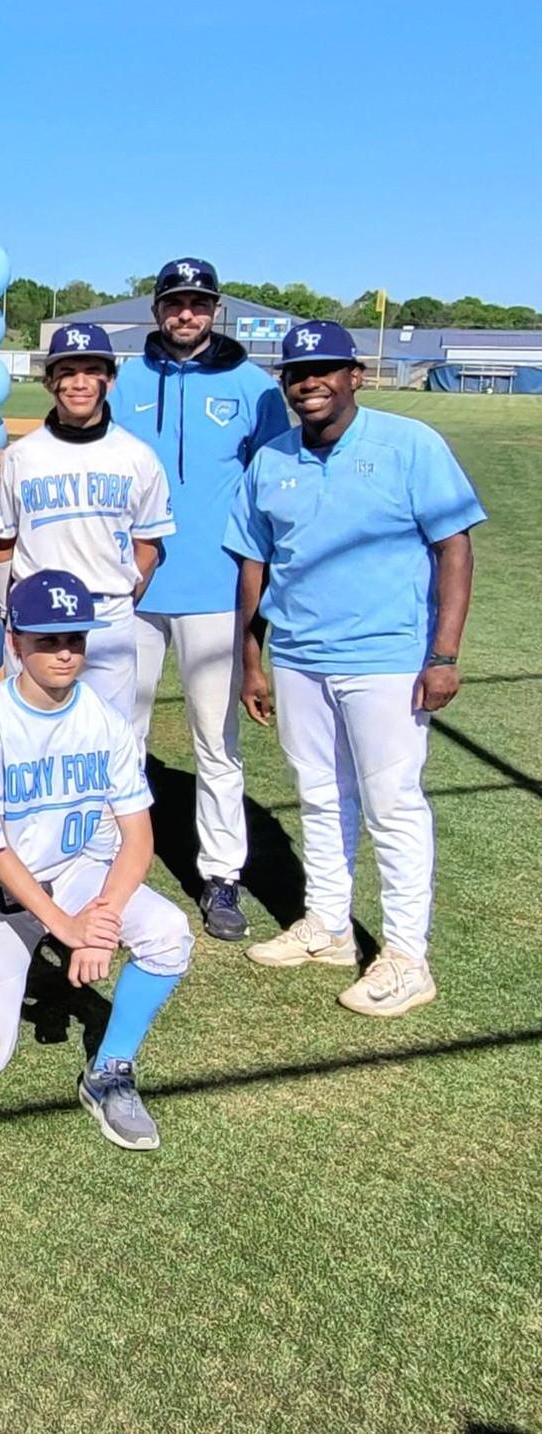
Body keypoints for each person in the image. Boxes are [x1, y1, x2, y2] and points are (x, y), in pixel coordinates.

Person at [226, 321, 485, 1017]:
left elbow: (454, 550)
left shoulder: (409, 444)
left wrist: (444, 655)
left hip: (388, 656)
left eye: (326, 370)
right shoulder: (272, 459)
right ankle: (330, 927)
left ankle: (406, 957)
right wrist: (253, 659)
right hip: (301, 656)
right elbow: (254, 561)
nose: (310, 383)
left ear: (355, 376)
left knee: (392, 806)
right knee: (317, 794)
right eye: (297, 373)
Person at [0, 570, 193, 1150]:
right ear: (15, 642)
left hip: (75, 871)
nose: (65, 653)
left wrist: (102, 921)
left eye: (74, 639)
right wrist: (66, 927)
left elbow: (138, 835)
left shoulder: (103, 719)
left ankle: (109, 1070)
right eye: (48, 640)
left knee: (170, 932)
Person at [110, 259, 290, 941]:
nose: (187, 314)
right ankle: (108, 858)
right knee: (119, 733)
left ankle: (221, 875)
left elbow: (275, 482)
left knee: (216, 741)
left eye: (199, 303)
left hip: (216, 591)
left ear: (214, 309)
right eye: (175, 303)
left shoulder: (253, 387)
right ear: (157, 309)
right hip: (130, 589)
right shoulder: (124, 381)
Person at [0, 322, 176, 720]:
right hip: (34, 619)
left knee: (111, 737)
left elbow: (148, 549)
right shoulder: (21, 457)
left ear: (110, 379)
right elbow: (2, 543)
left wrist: (120, 598)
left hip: (107, 616)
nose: (79, 383)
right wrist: (11, 612)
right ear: (49, 381)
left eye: (92, 371)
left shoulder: (137, 457)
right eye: (67, 372)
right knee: (30, 736)